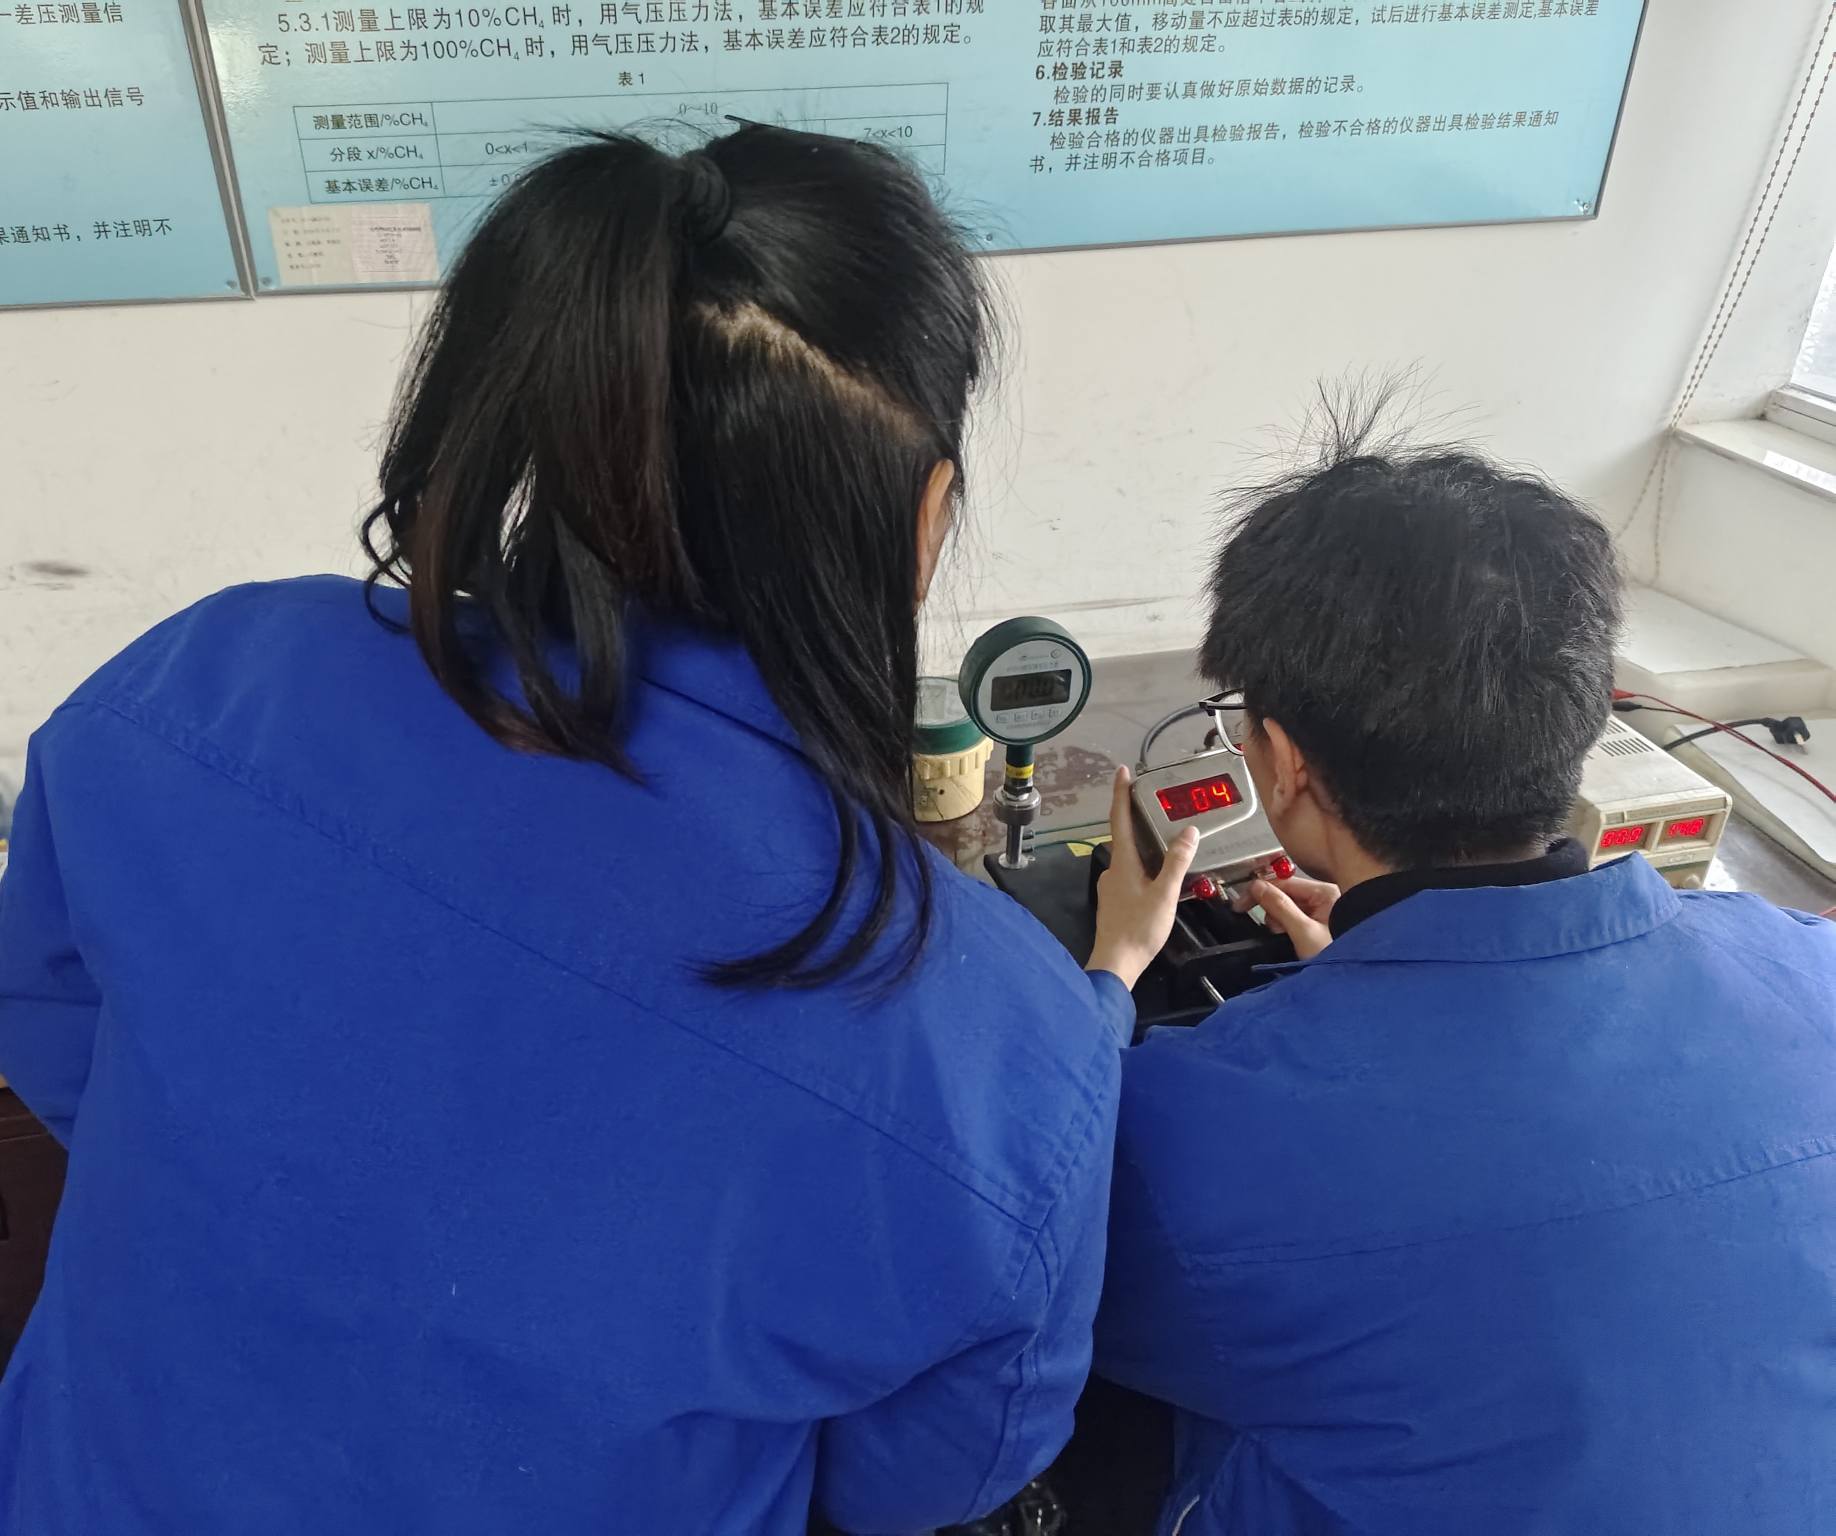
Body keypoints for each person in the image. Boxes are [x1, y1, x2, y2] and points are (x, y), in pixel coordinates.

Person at [0, 128, 1196, 1536]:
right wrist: (1098, 991)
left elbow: (58, 1034)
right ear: (926, 514)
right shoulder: (1002, 1049)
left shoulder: (198, 683)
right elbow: (925, 1476)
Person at [1094, 409, 1836, 1536]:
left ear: (1281, 764)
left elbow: (1031, 1285)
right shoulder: (1811, 971)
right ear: (1580, 720)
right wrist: (1382, 979)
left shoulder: (1188, 1127)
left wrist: (1106, 981)